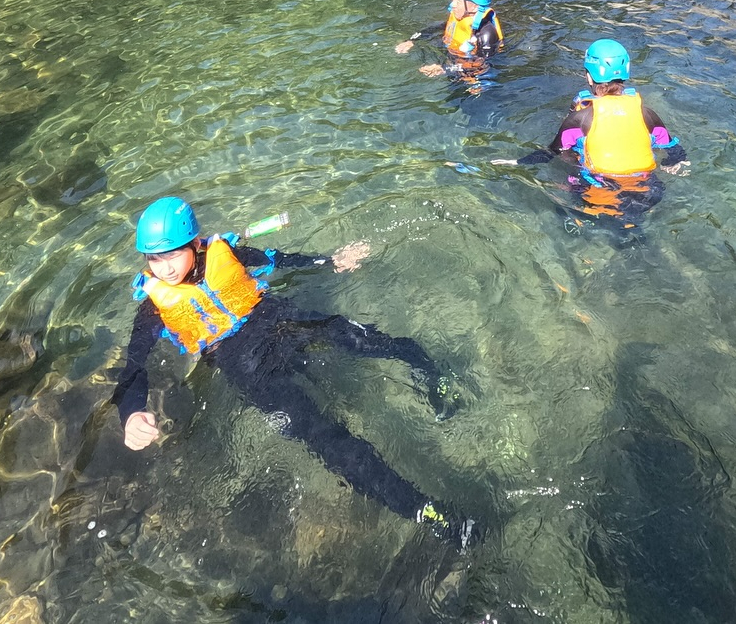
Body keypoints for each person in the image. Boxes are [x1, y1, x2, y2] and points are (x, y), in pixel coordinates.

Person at [113, 196, 477, 547]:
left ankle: (434, 375)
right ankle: (426, 512)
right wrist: (130, 412)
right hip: (246, 366)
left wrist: (330, 261)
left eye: (173, 253)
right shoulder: (153, 309)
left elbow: (277, 259)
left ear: (194, 243)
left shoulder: (224, 255)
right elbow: (134, 366)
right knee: (325, 438)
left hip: (280, 320)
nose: (165, 268)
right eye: (155, 258)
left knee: (364, 340)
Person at [508, 39, 687, 232]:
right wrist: (672, 163)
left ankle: (579, 224)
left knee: (565, 191)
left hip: (598, 189)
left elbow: (551, 152)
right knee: (630, 224)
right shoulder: (646, 114)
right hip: (649, 190)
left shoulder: (580, 119)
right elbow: (674, 149)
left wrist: (516, 162)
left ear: (589, 77)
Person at [396, 0, 503, 79]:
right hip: (454, 60)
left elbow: (482, 66)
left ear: (474, 7)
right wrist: (412, 40)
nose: (453, 4)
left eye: (458, 1)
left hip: (477, 77)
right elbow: (438, 28)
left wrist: (445, 69)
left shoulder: (487, 33)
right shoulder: (459, 17)